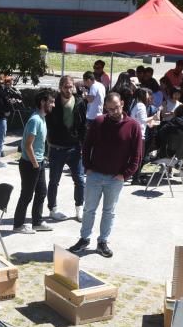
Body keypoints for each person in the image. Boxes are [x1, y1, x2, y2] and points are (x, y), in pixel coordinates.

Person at [69, 93, 142, 258]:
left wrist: (125, 175)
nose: (114, 112)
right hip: (95, 175)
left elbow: (137, 156)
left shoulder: (133, 126)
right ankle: (84, 238)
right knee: (89, 209)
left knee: (109, 211)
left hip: (116, 178)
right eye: (110, 109)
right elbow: (87, 146)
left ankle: (103, 241)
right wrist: (87, 167)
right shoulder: (99, 122)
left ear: (122, 104)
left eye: (116, 107)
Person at [46, 76, 87, 222]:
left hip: (74, 148)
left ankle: (79, 208)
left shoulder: (80, 102)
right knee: (54, 181)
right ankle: (53, 209)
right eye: (66, 87)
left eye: (71, 87)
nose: (69, 90)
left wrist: (83, 145)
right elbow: (48, 123)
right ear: (60, 87)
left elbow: (83, 126)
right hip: (57, 148)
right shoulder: (54, 102)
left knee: (80, 180)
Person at [13, 88, 54, 233]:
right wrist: (35, 163)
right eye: (51, 102)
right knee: (27, 195)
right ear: (43, 102)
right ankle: (18, 225)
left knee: (42, 192)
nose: (53, 105)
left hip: (39, 162)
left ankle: (37, 222)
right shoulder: (35, 120)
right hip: (30, 164)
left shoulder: (42, 118)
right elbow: (27, 145)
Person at [0, 73, 21, 168]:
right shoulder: (1, 92)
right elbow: (1, 105)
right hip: (0, 118)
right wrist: (6, 111)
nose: (11, 85)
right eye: (10, 83)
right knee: (0, 139)